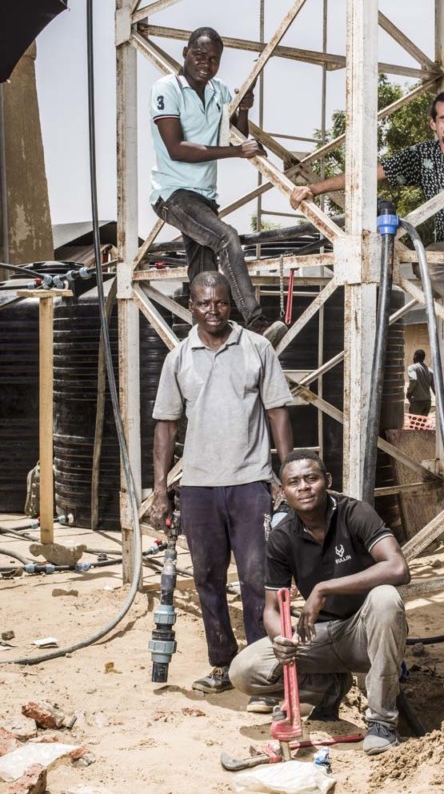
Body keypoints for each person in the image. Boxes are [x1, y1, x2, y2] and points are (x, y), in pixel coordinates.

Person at [289, 90, 444, 427]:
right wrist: (315, 189)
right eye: (443, 117)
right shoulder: (423, 155)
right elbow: (369, 174)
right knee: (424, 261)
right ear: (432, 123)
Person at [151, 271, 294, 703]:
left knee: (256, 578)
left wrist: (286, 476)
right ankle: (222, 665)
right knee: (208, 579)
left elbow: (278, 415)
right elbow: (166, 425)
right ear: (190, 306)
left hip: (250, 483)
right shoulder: (179, 358)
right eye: (203, 303)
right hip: (198, 487)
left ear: (230, 304)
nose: (212, 310)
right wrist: (160, 489)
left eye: (220, 303)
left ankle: (260, 673)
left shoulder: (257, 348)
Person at [229, 450, 410, 756]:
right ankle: (329, 687)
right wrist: (280, 638)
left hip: (364, 633)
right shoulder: (282, 535)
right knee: (244, 670)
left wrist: (324, 588)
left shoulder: (355, 513)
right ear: (282, 491)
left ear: (327, 481)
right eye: (293, 482)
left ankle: (381, 723)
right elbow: (272, 609)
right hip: (318, 635)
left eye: (311, 478)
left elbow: (397, 568)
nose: (304, 487)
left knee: (385, 598)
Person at [149, 26, 286, 346]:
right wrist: (240, 152)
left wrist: (243, 109)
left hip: (204, 199)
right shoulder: (166, 88)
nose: (206, 63)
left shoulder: (220, 91)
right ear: (185, 53)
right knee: (227, 238)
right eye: (199, 55)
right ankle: (256, 322)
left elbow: (233, 135)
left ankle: (200, 342)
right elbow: (176, 148)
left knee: (204, 274)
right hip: (173, 195)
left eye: (213, 59)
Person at [406, 349, 433, 416]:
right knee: (422, 424)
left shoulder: (412, 368)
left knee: (414, 424)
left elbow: (413, 380)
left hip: (417, 401)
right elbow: (435, 387)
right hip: (427, 401)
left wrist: (409, 392)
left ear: (415, 356)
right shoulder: (430, 371)